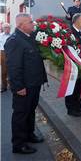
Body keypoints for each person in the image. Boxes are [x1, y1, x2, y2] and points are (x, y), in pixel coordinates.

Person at [4, 14, 48, 154]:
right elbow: (14, 67)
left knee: (30, 111)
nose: (33, 25)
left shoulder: (28, 38)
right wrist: (18, 87)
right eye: (30, 22)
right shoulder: (15, 41)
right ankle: (19, 144)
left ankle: (29, 135)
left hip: (33, 83)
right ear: (21, 25)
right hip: (24, 86)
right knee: (21, 114)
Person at [0, 23, 11, 92]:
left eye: (8, 28)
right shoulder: (0, 36)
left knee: (12, 70)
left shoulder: (12, 35)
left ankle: (11, 85)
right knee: (4, 71)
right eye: (6, 27)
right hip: (3, 52)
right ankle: (4, 87)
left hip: (11, 53)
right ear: (3, 29)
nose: (7, 29)